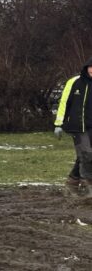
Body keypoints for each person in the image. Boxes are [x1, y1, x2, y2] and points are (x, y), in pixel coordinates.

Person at [55, 58, 92, 194]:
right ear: (87, 68)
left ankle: (72, 181)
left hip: (91, 125)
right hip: (77, 126)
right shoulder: (75, 82)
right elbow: (64, 103)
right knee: (86, 154)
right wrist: (58, 124)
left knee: (85, 156)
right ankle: (88, 185)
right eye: (91, 67)